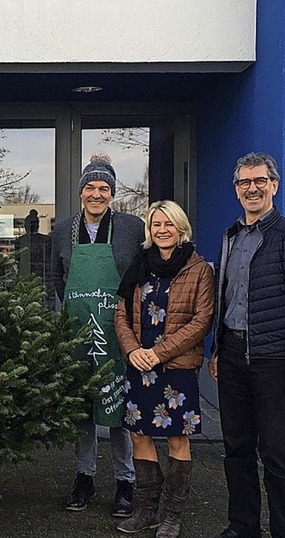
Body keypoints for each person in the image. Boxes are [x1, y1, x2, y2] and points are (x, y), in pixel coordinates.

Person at [208, 152, 285, 538]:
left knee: (276, 455)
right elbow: (224, 296)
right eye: (244, 182)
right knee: (236, 449)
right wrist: (216, 349)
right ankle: (242, 527)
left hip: (274, 358)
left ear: (274, 186)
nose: (252, 188)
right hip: (231, 357)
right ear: (236, 190)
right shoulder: (229, 237)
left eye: (260, 181)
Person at [52, 153, 144, 517]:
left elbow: (141, 273)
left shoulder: (133, 228)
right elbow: (57, 278)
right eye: (89, 187)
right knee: (83, 410)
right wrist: (77, 308)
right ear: (80, 192)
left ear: (112, 193)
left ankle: (126, 482)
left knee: (119, 407)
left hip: (119, 331)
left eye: (103, 188)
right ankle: (84, 478)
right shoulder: (62, 229)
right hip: (78, 330)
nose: (96, 194)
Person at [114, 200, 214, 537]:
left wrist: (158, 353)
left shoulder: (198, 268)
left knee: (176, 438)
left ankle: (172, 514)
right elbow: (121, 314)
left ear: (181, 227)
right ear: (149, 230)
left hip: (176, 368)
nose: (162, 229)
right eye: (156, 224)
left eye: (168, 224)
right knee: (139, 434)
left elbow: (201, 321)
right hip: (139, 365)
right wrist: (131, 350)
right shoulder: (139, 265)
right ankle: (146, 511)